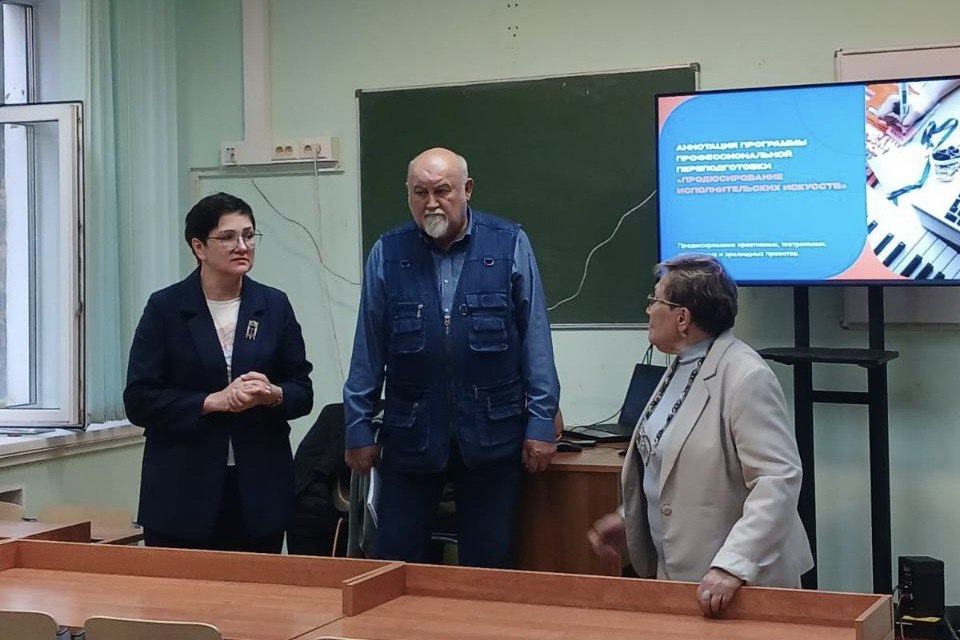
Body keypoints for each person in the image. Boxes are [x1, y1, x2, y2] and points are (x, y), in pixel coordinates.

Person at [343, 147, 560, 568]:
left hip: (492, 435)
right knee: (395, 564)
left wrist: (540, 420)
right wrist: (357, 426)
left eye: (442, 191)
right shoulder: (387, 252)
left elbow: (536, 339)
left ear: (467, 189)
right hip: (411, 435)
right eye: (419, 192)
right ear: (408, 194)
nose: (431, 203)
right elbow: (367, 346)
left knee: (488, 564)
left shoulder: (509, 243)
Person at [587, 254, 812, 617]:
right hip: (684, 574)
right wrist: (630, 518)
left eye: (654, 300)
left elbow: (777, 479)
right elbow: (668, 463)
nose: (648, 310)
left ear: (682, 317)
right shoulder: (684, 365)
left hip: (739, 583)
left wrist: (733, 566)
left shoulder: (745, 375)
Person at [124, 192, 313, 553]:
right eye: (228, 237)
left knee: (254, 587)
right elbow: (139, 400)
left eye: (249, 235)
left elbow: (302, 391)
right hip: (182, 491)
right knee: (180, 588)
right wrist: (212, 401)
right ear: (198, 247)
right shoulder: (166, 308)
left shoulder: (273, 305)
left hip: (258, 491)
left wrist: (273, 393)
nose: (242, 246)